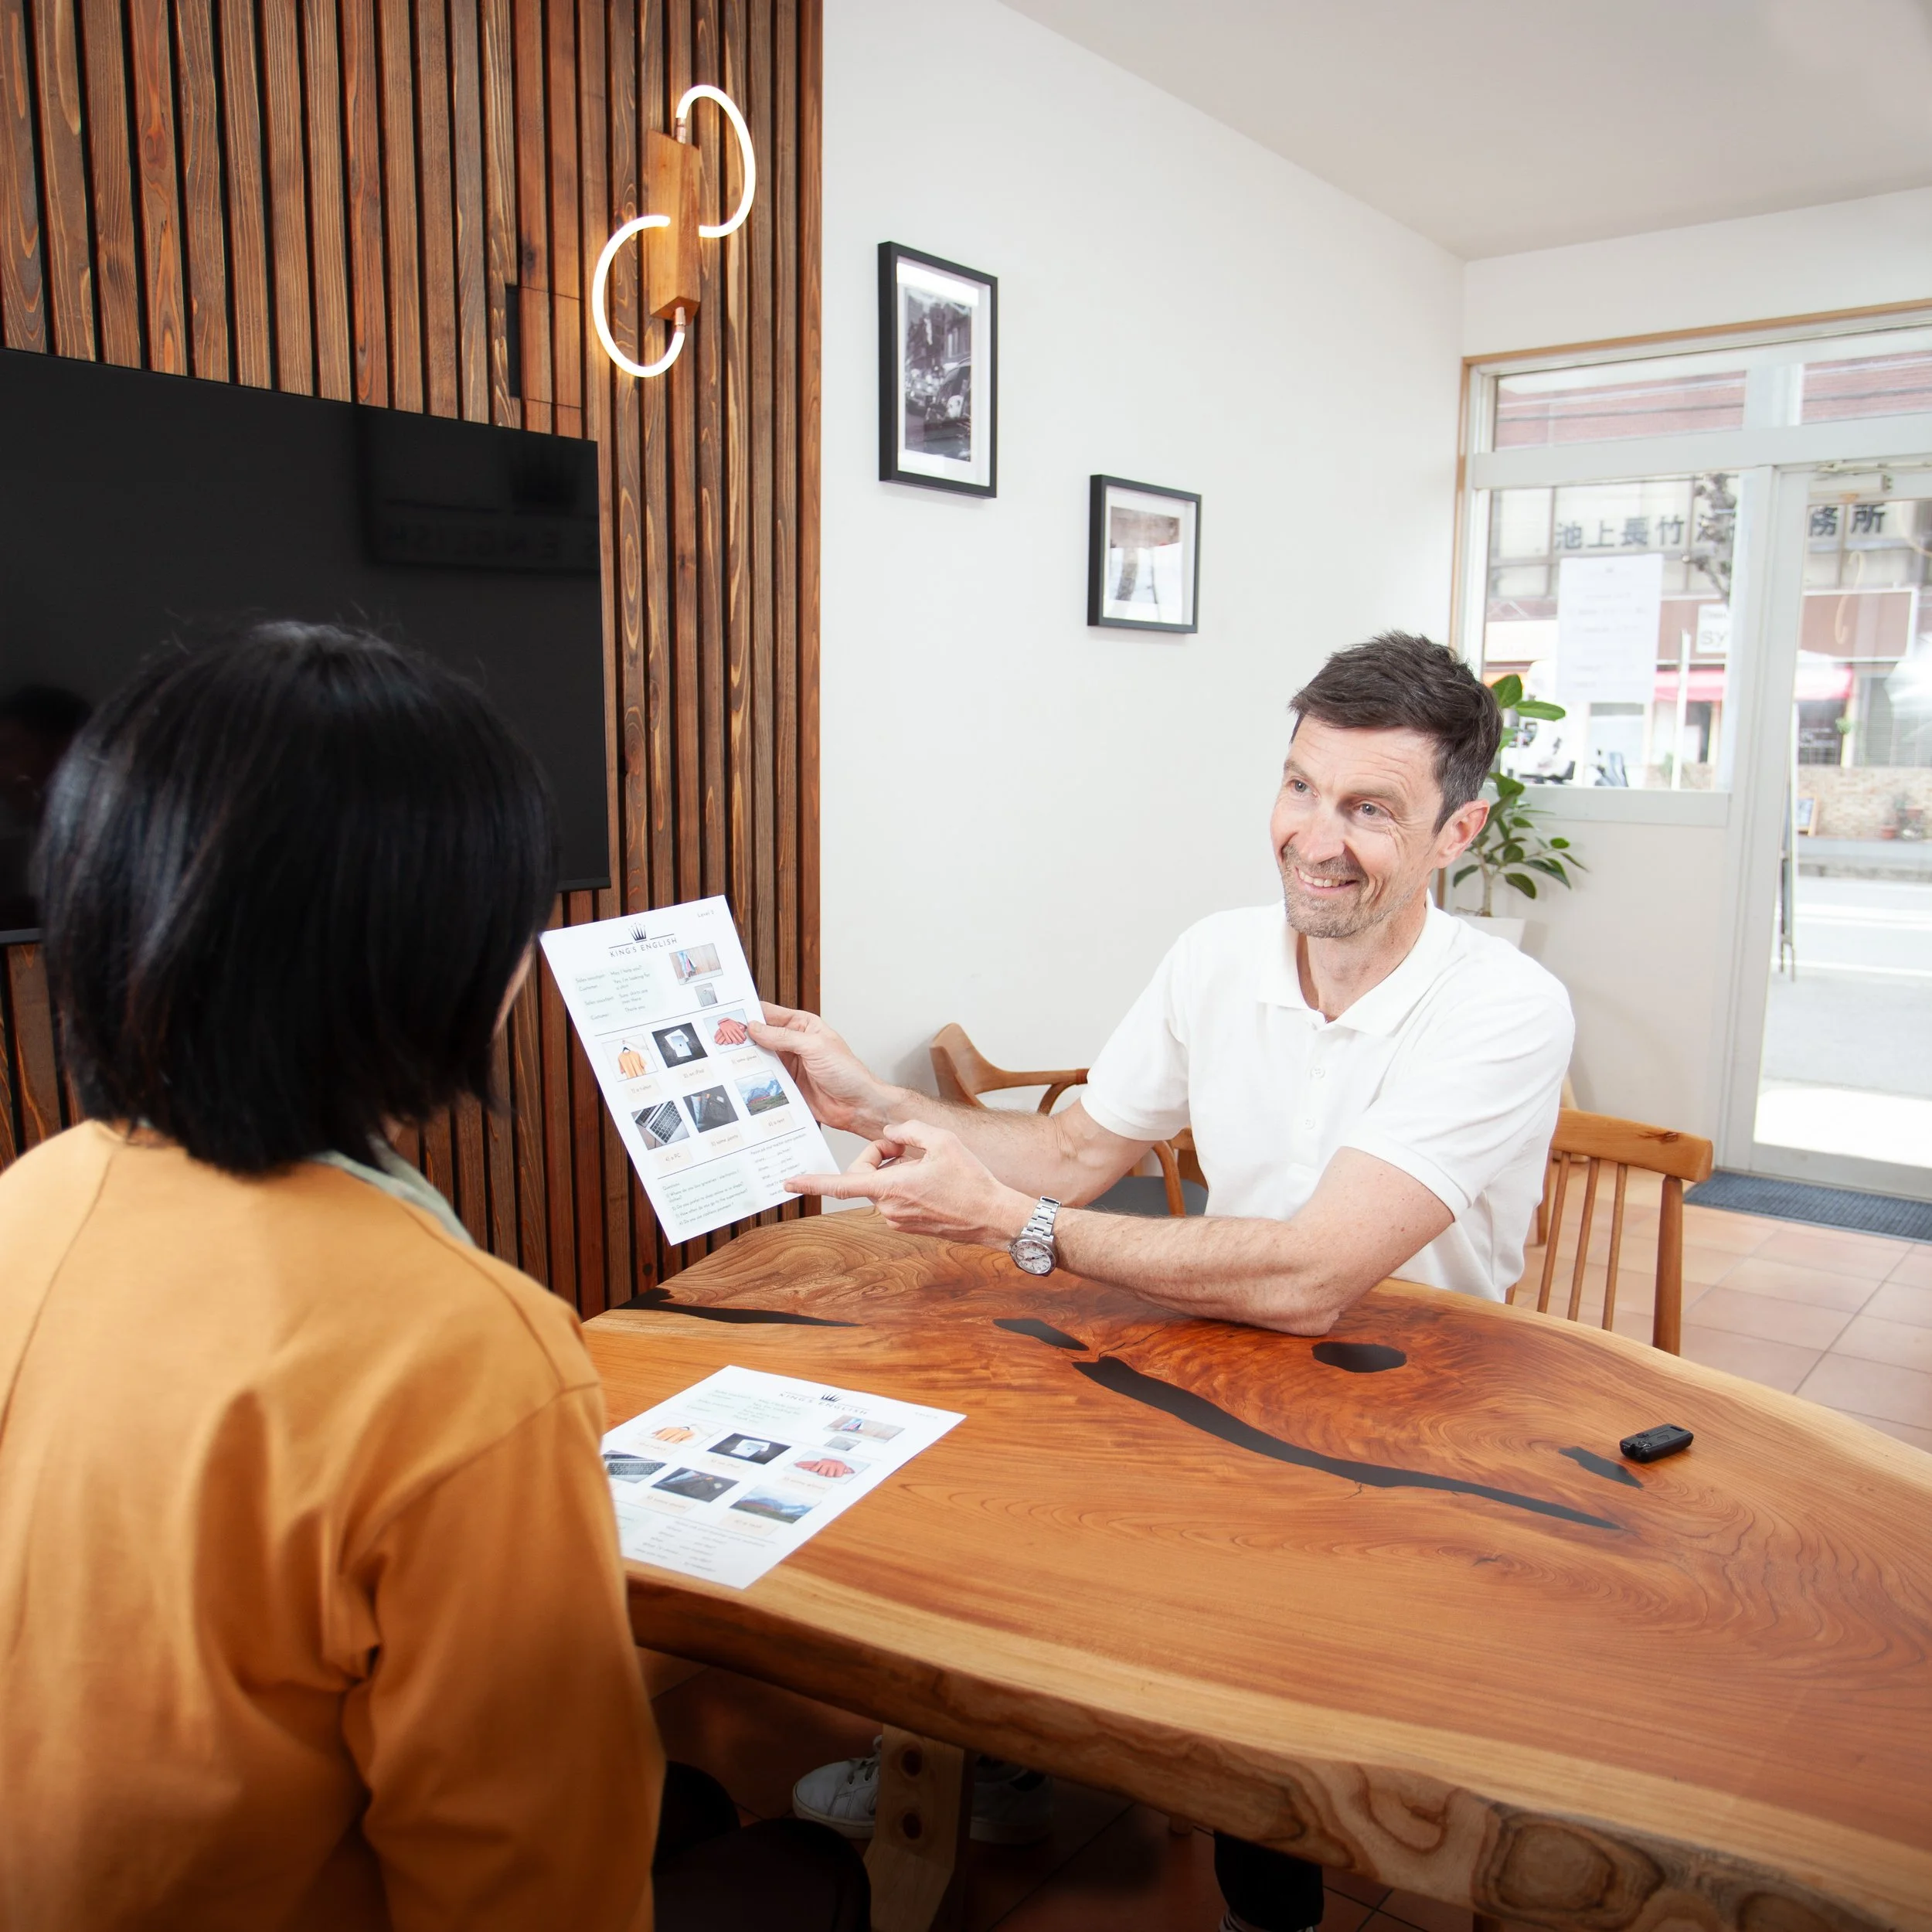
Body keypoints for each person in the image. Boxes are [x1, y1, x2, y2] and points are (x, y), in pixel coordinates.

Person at [0, 624, 868, 1932]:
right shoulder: (465, 1350)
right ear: (442, 957)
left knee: (687, 1805)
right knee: (803, 1875)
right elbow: (535, 1893)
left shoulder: (34, 1193)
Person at [760, 633, 1573, 1932]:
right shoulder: (1217, 956)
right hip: (1227, 1344)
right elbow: (1080, 1151)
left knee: (1274, 1675)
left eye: (1370, 808)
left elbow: (1313, 1274)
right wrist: (877, 1103)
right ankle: (1009, 1751)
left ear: (1457, 832)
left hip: (1418, 1408)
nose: (1317, 836)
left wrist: (1015, 1225)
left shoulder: (1506, 1008)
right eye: (1301, 786)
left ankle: (1261, 1868)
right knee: (1006, 1487)